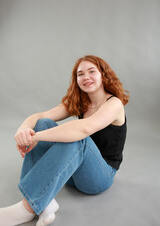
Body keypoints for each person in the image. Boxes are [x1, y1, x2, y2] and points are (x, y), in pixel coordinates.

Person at [0, 55, 129, 226]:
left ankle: (27, 209)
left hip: (99, 177)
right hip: (71, 171)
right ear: (76, 80)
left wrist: (35, 137)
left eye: (92, 71)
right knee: (43, 123)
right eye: (80, 74)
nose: (86, 77)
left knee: (79, 139)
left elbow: (85, 129)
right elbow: (40, 116)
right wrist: (23, 131)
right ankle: (43, 203)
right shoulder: (81, 101)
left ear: (103, 75)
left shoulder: (114, 104)